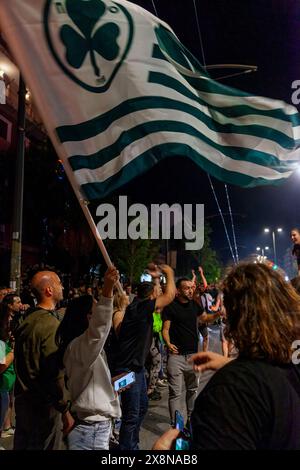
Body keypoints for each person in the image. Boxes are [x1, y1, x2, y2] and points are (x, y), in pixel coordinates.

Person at [153, 263, 300, 450]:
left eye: (227, 305)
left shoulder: (231, 389)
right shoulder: (292, 362)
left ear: (236, 313)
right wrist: (230, 363)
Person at [55, 266, 121, 450]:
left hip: (93, 428)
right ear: (87, 317)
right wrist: (107, 290)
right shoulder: (80, 345)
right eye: (95, 309)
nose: (99, 314)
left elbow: (88, 381)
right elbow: (100, 327)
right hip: (90, 430)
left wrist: (110, 384)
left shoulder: (81, 347)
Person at [114, 264, 176, 450]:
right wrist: (169, 274)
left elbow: (159, 294)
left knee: (141, 407)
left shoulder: (140, 306)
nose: (159, 292)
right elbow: (169, 296)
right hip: (126, 370)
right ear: (151, 296)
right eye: (156, 290)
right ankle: (127, 449)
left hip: (137, 369)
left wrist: (157, 277)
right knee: (131, 414)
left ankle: (132, 443)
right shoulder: (140, 307)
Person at [13, 271, 74, 450]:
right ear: (49, 290)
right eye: (59, 283)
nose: (62, 287)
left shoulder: (28, 320)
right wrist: (64, 408)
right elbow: (53, 372)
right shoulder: (50, 325)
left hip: (24, 402)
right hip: (43, 408)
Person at [162, 277, 219, 426]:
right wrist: (168, 343)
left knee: (192, 390)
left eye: (191, 287)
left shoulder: (194, 305)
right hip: (176, 358)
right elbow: (165, 329)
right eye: (186, 288)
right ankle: (176, 425)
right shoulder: (170, 307)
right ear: (179, 290)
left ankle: (190, 420)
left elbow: (205, 318)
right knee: (175, 393)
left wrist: (218, 314)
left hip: (193, 356)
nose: (190, 290)